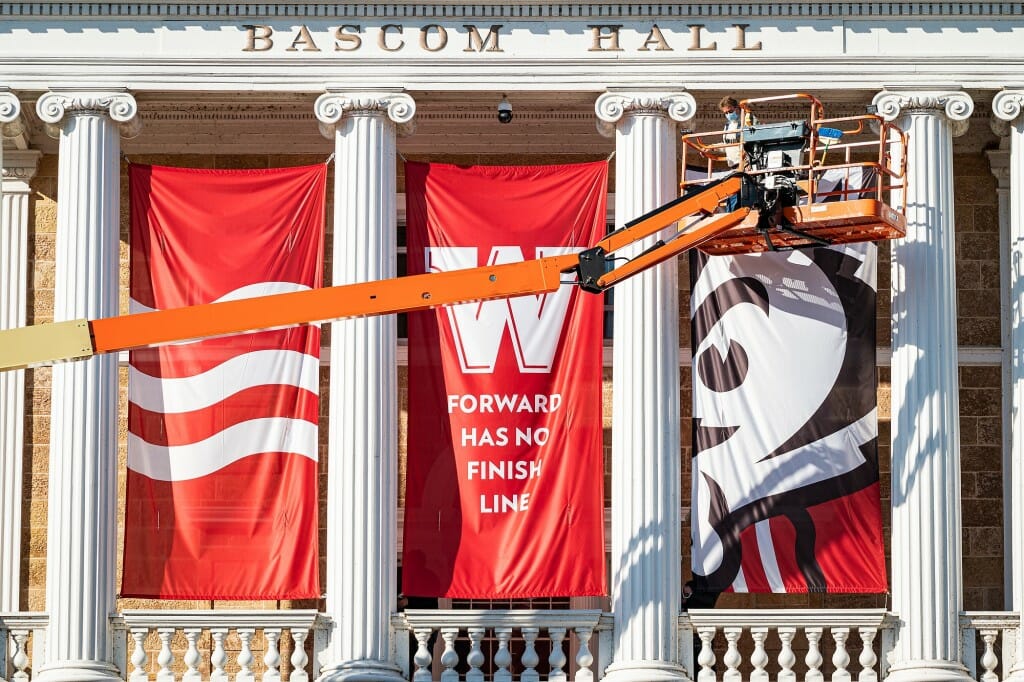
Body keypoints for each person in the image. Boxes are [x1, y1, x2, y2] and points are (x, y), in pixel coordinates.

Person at [718, 96, 757, 169]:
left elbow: (756, 136)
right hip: (733, 165)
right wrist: (712, 148)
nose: (728, 114)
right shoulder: (727, 126)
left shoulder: (747, 120)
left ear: (737, 108)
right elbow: (728, 145)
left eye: (730, 111)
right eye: (726, 113)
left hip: (747, 164)